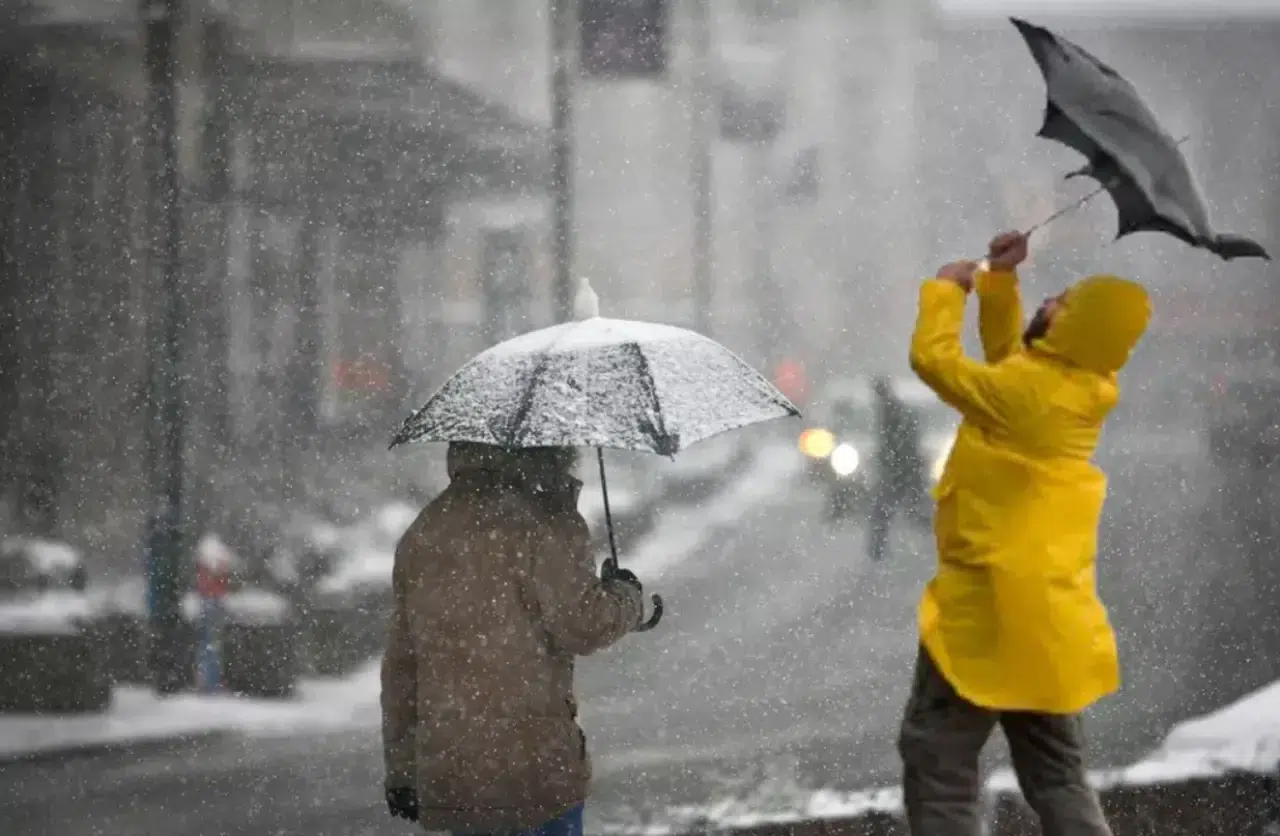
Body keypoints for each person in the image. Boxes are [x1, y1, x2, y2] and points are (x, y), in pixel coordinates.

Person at [899, 231, 1151, 836]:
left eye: (1062, 303)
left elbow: (934, 362)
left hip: (990, 610)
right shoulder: (1073, 386)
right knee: (1057, 777)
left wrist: (946, 290)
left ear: (1077, 329)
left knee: (938, 759)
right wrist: (998, 283)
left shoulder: (1029, 397)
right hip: (1050, 620)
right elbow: (1009, 362)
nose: (1050, 303)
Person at [381, 441, 645, 836]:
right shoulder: (546, 519)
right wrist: (626, 596)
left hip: (453, 768)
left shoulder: (425, 530)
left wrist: (402, 769)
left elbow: (402, 668)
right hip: (534, 767)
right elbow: (584, 625)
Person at [867, 376, 927, 561]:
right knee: (912, 508)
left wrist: (891, 461)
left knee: (885, 509)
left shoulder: (891, 411)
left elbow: (896, 442)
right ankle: (878, 549)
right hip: (904, 468)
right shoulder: (892, 409)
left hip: (901, 469)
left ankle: (877, 549)